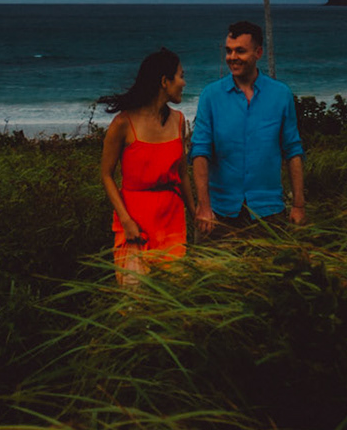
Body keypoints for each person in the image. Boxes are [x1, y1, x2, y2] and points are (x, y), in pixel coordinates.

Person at [190, 20, 304, 236]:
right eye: (229, 51)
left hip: (269, 213)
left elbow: (293, 150)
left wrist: (298, 205)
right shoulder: (210, 96)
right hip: (218, 213)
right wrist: (203, 206)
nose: (232, 57)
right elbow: (200, 152)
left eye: (240, 51)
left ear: (258, 52)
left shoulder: (281, 95)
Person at [98, 47, 191, 282]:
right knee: (135, 303)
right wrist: (126, 221)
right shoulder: (123, 123)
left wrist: (195, 213)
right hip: (135, 223)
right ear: (164, 81)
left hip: (172, 220)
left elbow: (183, 175)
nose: (184, 83)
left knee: (173, 300)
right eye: (181, 76)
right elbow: (106, 175)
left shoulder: (180, 121)